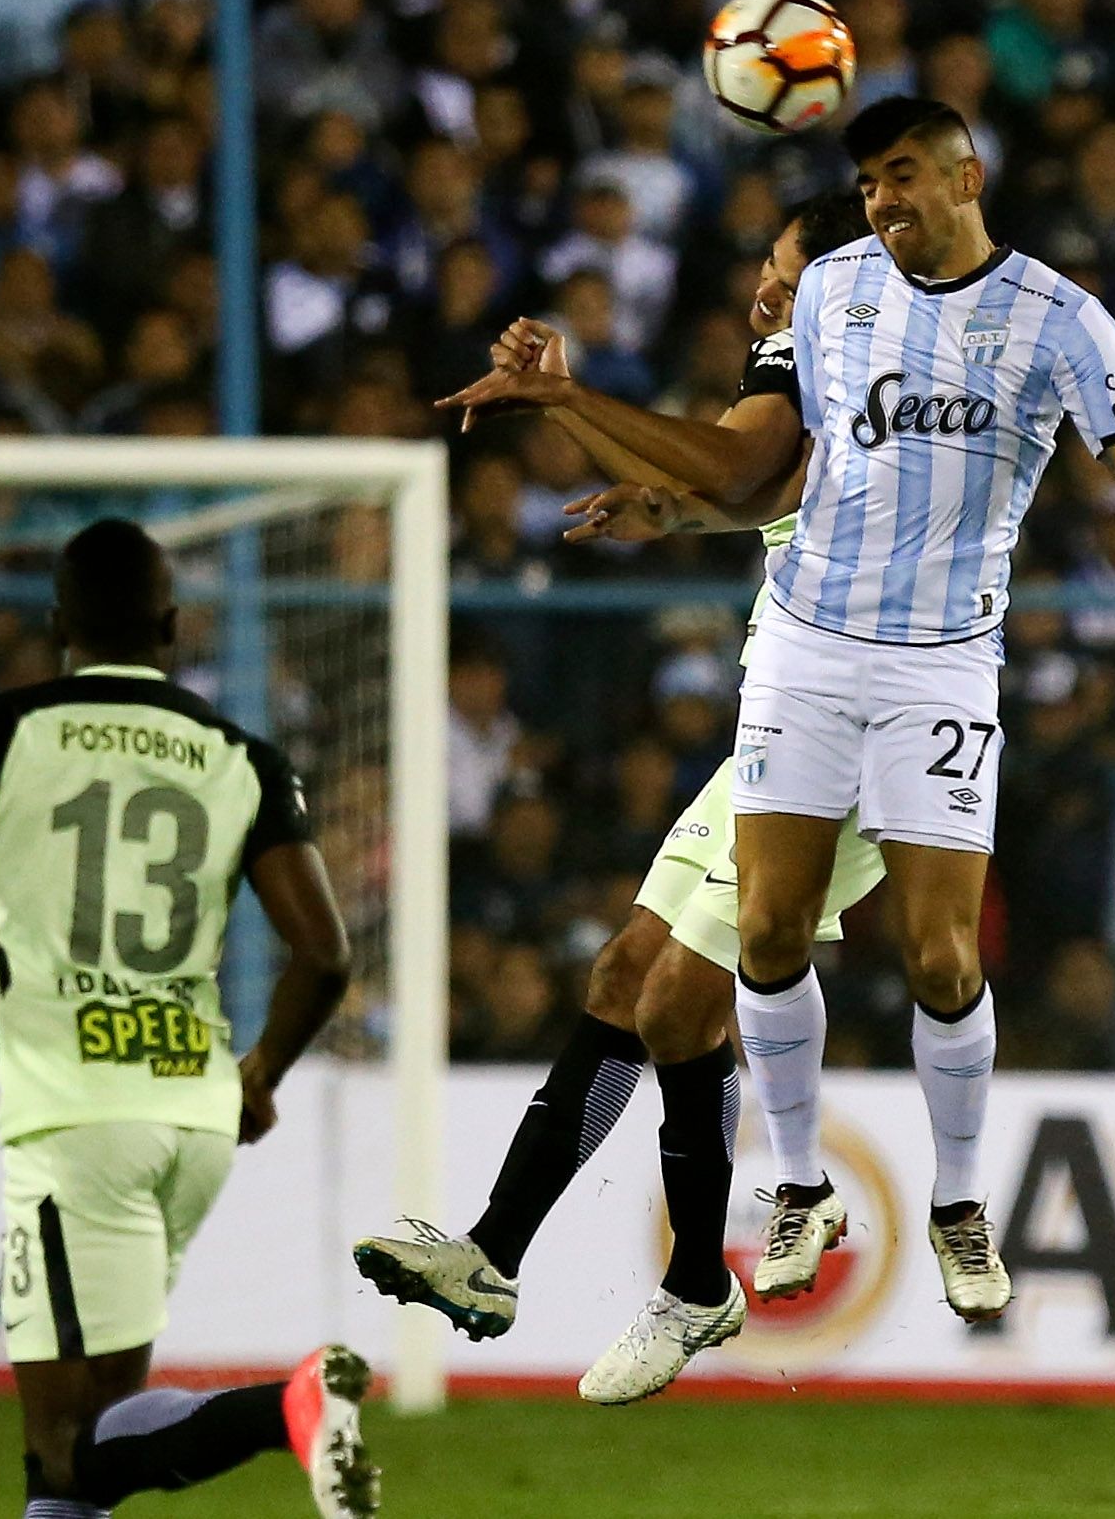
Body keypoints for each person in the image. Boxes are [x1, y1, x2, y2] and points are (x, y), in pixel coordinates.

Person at [444, 97, 1115, 1400]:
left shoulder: (1055, 319)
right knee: (703, 957)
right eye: (868, 187)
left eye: (903, 179)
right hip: (802, 657)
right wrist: (644, 481)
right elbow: (769, 479)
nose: (883, 206)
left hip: (941, 664)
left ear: (964, 173)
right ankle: (743, 1212)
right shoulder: (828, 303)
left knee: (928, 954)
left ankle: (928, 1208)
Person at [351, 192, 886, 1400]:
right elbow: (752, 486)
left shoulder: (861, 373)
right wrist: (674, 504)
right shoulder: (826, 382)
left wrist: (570, 402)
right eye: (758, 267)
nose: (760, 293)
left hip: (855, 736)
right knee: (620, 976)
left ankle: (699, 1284)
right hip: (775, 723)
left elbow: (742, 467)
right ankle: (491, 1254)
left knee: (679, 1005)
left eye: (782, 273)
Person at [0, 519, 378, 1519]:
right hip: (193, 1117)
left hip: (75, 1124)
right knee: (95, 1438)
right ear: (171, 625)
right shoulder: (241, 755)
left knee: (59, 1447)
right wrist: (257, 1073)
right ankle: (285, 1409)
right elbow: (326, 953)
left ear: (56, 624)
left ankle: (291, 1407)